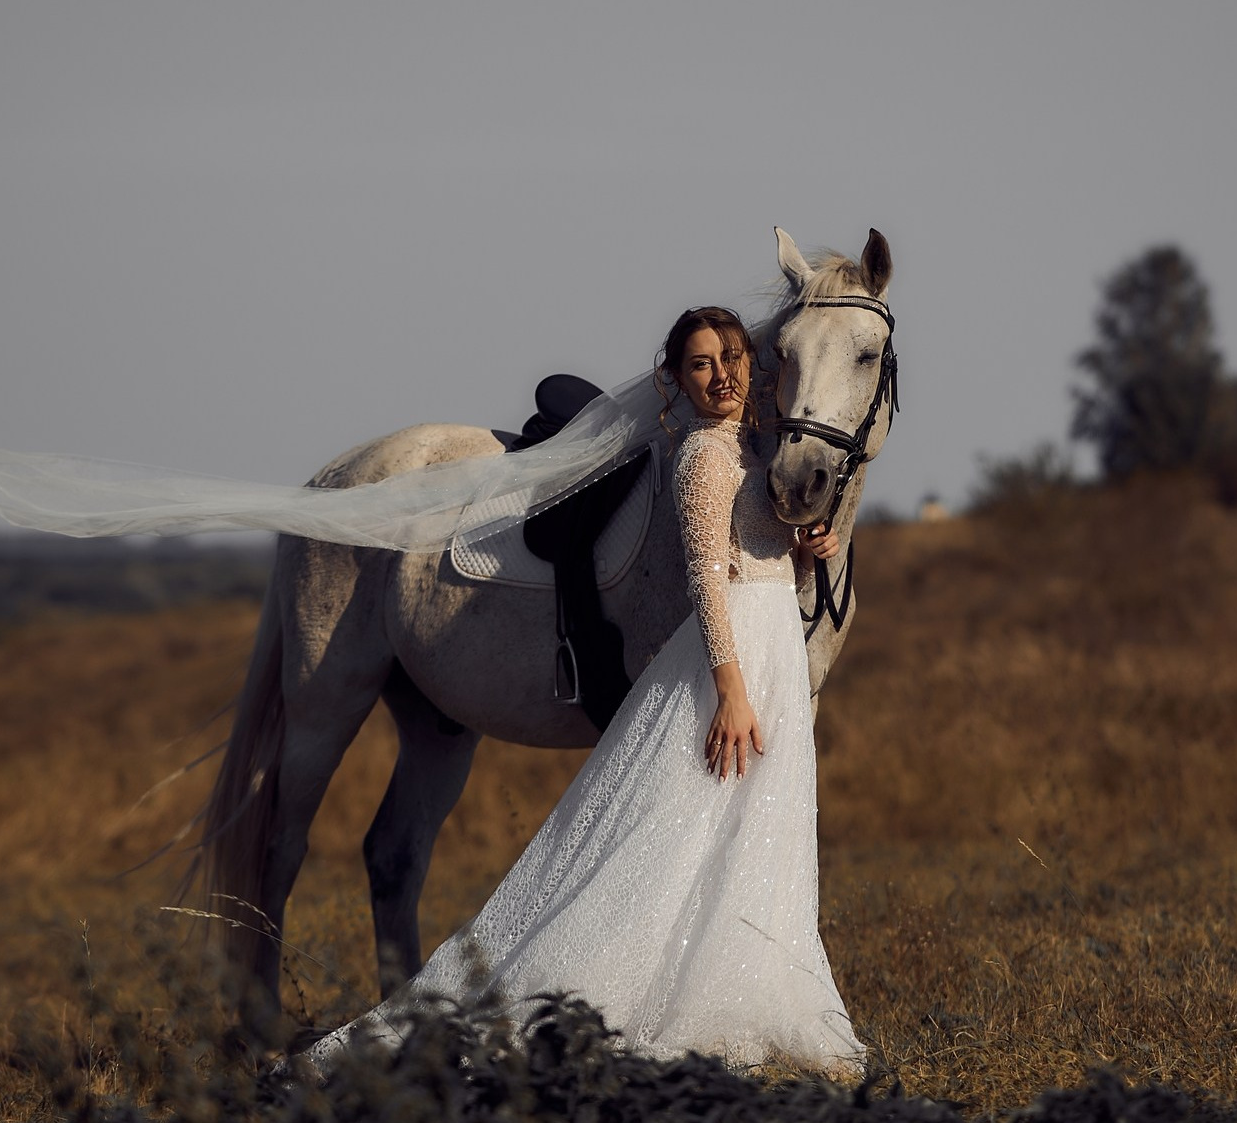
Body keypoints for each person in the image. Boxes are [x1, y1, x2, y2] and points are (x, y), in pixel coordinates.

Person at [306, 304, 865, 1076]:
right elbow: (710, 580)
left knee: (751, 839)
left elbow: (760, 560)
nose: (725, 374)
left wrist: (809, 550)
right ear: (677, 382)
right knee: (678, 841)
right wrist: (731, 691)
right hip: (740, 660)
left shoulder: (753, 451)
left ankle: (736, 995)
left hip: (771, 644)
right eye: (702, 363)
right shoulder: (704, 456)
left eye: (733, 356)